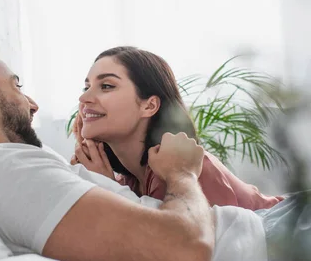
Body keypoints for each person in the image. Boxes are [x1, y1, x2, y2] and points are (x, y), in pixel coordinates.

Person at [0, 41, 309, 261]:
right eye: (16, 85)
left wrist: (107, 185)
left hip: (277, 226)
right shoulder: (6, 173)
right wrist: (181, 174)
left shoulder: (10, 169)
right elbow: (186, 251)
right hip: (270, 247)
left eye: (104, 86)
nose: (33, 103)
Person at [71, 46, 284, 210]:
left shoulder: (187, 169)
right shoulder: (130, 181)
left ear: (149, 105)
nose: (84, 98)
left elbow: (204, 256)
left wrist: (108, 190)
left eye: (106, 86)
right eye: (86, 87)